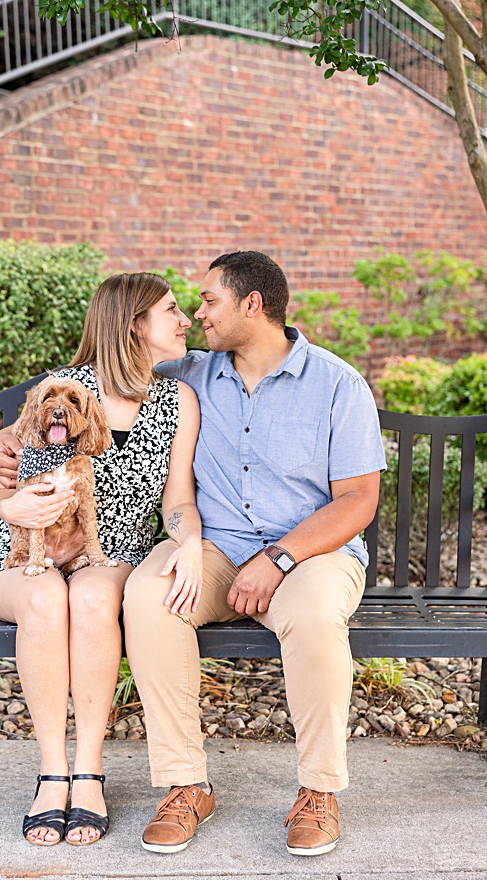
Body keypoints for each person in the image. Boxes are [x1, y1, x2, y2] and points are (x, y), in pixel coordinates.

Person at [121, 251, 384, 857]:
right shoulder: (187, 374)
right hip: (213, 551)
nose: (196, 314)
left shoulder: (338, 384)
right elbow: (95, 372)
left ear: (252, 304)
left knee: (317, 615)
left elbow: (357, 501)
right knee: (149, 593)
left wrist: (280, 558)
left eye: (209, 300)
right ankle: (187, 785)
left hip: (312, 555)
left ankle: (318, 791)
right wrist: (13, 436)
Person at [0, 271, 203, 846]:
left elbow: (177, 499)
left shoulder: (176, 400)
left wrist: (189, 542)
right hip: (22, 552)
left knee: (93, 594)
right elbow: (9, 469)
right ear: (134, 326)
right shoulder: (64, 390)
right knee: (43, 596)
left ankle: (89, 773)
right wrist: (8, 501)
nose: (186, 321)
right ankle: (52, 774)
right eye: (172, 312)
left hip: (110, 553)